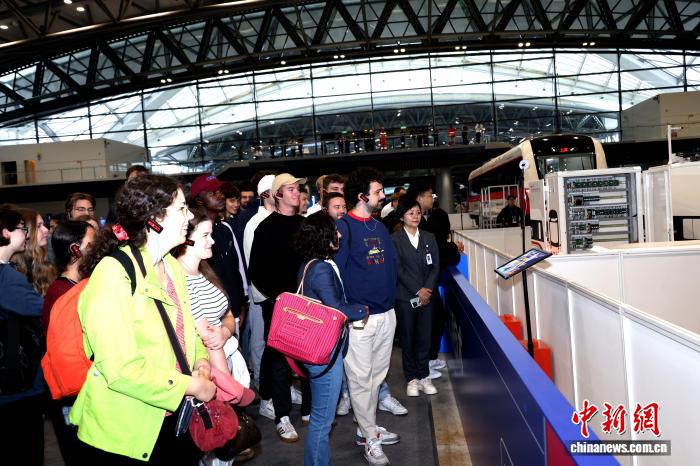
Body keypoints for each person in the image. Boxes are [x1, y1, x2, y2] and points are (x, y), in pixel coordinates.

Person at [69, 174, 216, 465]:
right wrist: (192, 386)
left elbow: (187, 330)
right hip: (126, 430)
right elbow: (120, 369)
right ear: (155, 218)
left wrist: (201, 362)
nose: (189, 216)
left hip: (175, 417)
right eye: (181, 209)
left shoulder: (172, 266)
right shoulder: (112, 274)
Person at [335, 167, 400, 466]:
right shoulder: (344, 227)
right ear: (362, 196)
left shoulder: (380, 227)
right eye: (377, 192)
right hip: (360, 319)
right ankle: (370, 438)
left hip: (387, 314)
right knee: (360, 381)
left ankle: (367, 428)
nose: (382, 196)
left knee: (375, 379)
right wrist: (348, 312)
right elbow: (335, 274)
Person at [294, 213, 368, 466]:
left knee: (321, 418)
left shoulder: (308, 265)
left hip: (315, 349)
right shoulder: (321, 269)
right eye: (334, 231)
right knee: (322, 421)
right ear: (322, 236)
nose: (339, 234)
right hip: (325, 353)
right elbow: (336, 309)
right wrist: (362, 310)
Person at [248, 173, 310, 443]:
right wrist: (279, 299)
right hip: (279, 305)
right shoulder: (264, 228)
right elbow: (255, 271)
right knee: (279, 363)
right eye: (291, 189)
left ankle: (308, 409)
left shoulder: (306, 225)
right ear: (278, 195)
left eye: (298, 189)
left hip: (307, 304)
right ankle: (282, 417)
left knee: (308, 357)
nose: (297, 193)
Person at [42, 219, 96, 466]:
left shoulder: (86, 284)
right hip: (74, 393)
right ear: (75, 250)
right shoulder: (60, 293)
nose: (97, 249)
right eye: (91, 244)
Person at [0, 206, 45, 466]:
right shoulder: (6, 277)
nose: (26, 234)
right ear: (5, 232)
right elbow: (43, 310)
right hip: (16, 387)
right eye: (22, 229)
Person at [391, 197, 440, 397]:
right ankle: (411, 378)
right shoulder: (395, 240)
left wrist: (427, 289)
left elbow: (435, 266)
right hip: (406, 298)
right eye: (410, 213)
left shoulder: (429, 237)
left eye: (418, 212)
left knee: (424, 337)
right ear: (402, 216)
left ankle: (424, 375)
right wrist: (418, 290)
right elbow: (398, 269)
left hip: (427, 297)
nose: (415, 216)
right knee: (408, 337)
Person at [11, 207, 55, 296]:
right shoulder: (12, 269)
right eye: (38, 226)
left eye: (43, 225)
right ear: (24, 231)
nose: (46, 230)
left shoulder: (41, 259)